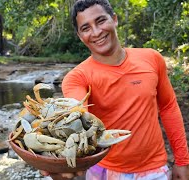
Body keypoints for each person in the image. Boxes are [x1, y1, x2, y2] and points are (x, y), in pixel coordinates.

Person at [40, 0, 189, 179]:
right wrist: (55, 161)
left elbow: (168, 107)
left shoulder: (152, 58)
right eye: (86, 28)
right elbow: (76, 116)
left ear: (115, 19)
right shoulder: (77, 77)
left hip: (154, 170)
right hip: (102, 170)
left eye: (101, 21)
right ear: (80, 36)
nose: (96, 32)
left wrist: (182, 161)